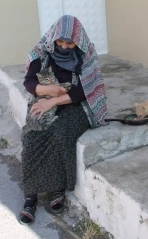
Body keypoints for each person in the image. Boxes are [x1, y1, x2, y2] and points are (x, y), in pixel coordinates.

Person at [19, 15, 108, 225]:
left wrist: (55, 101)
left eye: (70, 43)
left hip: (75, 104)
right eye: (60, 42)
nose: (65, 47)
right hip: (45, 98)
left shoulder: (86, 54)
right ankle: (31, 195)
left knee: (62, 133)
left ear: (78, 41)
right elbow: (29, 81)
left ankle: (57, 187)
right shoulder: (41, 52)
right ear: (54, 38)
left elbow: (86, 91)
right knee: (33, 135)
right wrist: (46, 91)